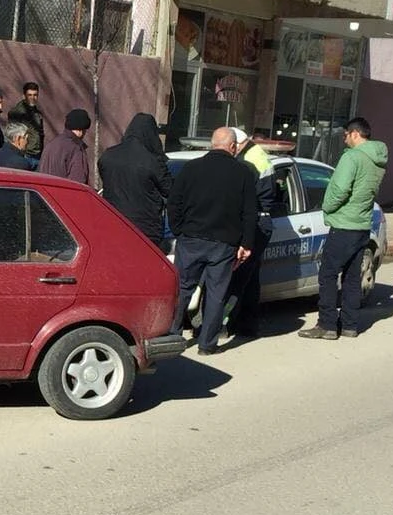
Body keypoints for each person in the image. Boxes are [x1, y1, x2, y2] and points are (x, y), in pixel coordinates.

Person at [167, 126, 258, 355]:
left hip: (191, 239)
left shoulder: (191, 168)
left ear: (212, 144)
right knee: (217, 295)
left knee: (182, 288)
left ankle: (173, 335)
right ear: (233, 146)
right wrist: (246, 244)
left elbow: (174, 202)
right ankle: (207, 344)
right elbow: (250, 212)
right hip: (224, 243)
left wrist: (179, 230)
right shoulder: (243, 173)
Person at [300, 116, 388, 340]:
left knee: (328, 274)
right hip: (361, 224)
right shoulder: (377, 160)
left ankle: (327, 324)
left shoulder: (352, 157)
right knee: (351, 277)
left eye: (346, 134)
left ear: (355, 134)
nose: (344, 139)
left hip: (344, 224)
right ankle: (349, 324)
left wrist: (326, 206)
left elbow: (340, 189)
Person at [225, 127, 279, 338]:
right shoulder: (257, 154)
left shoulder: (246, 162)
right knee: (250, 276)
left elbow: (244, 198)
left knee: (238, 276)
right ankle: (248, 324)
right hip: (260, 220)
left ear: (237, 145)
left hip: (255, 221)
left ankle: (228, 323)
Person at [97, 112, 171, 247]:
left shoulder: (108, 156)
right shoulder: (152, 161)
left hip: (113, 222)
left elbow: (105, 180)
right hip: (145, 228)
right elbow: (169, 189)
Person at [39, 109, 92, 184]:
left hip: (45, 190)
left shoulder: (51, 145)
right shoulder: (76, 148)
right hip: (63, 190)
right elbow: (78, 181)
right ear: (81, 130)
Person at [8, 82, 45, 164]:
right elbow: (11, 135)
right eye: (29, 95)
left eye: (35, 95)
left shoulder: (37, 113)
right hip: (25, 154)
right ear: (24, 96)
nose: (32, 98)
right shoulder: (17, 112)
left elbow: (40, 134)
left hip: (37, 154)